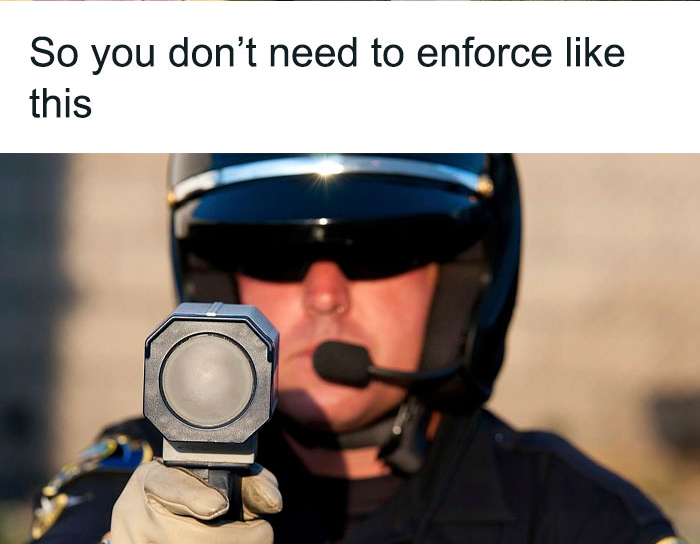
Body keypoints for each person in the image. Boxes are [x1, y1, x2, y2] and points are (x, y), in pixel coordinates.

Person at [28, 154, 682, 544]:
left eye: (379, 250)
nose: (323, 293)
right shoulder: (147, 478)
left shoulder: (570, 510)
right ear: (218, 284)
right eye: (278, 251)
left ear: (461, 281)